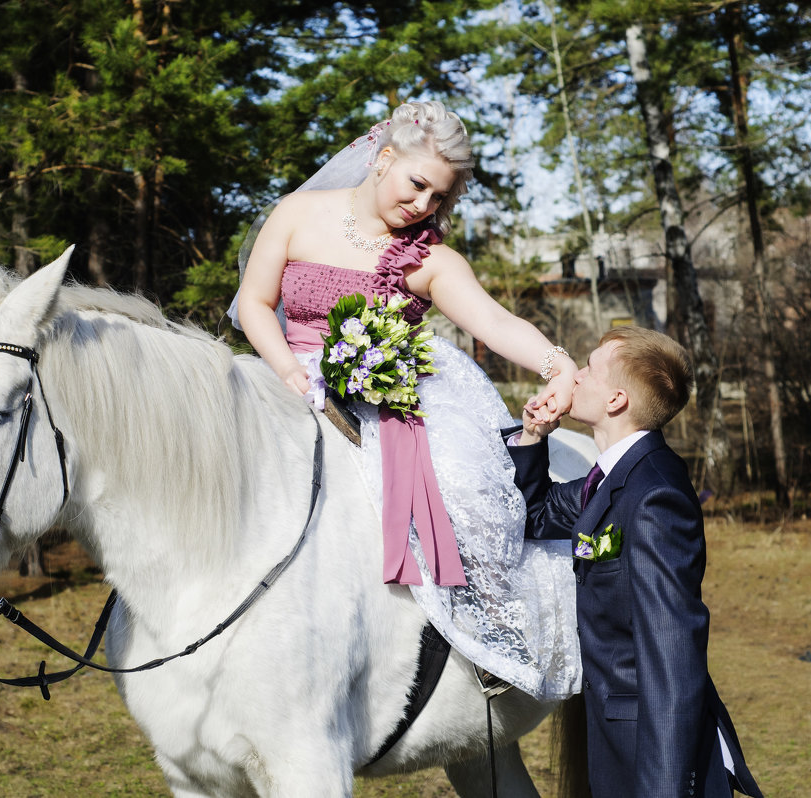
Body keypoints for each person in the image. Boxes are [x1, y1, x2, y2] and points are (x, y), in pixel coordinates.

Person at [231, 100, 580, 700]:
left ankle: (490, 631)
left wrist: (559, 365)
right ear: (384, 158)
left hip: (392, 392)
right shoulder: (297, 214)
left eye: (439, 199)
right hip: (287, 373)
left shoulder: (429, 259)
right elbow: (255, 303)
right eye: (417, 185)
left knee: (466, 481)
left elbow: (496, 323)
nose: (423, 206)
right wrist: (289, 371)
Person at [508, 326, 763, 797]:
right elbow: (537, 516)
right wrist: (531, 436)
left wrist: (665, 789)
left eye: (588, 368)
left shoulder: (654, 496)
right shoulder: (610, 479)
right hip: (615, 739)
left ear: (616, 400)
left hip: (650, 752)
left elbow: (673, 661)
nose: (575, 377)